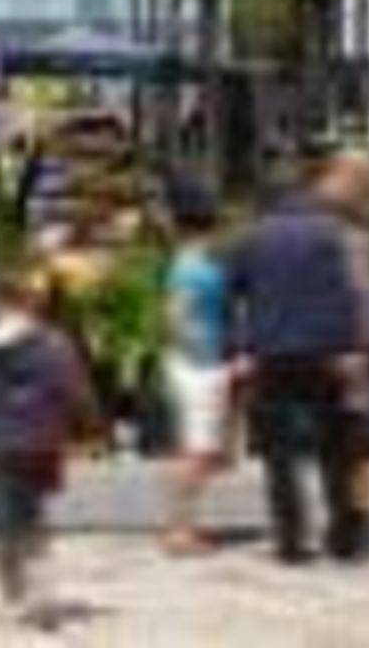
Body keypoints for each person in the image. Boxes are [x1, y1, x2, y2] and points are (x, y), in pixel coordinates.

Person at [227, 151, 369, 565]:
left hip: (272, 355)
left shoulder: (252, 237)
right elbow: (350, 293)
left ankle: (290, 540)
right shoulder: (334, 232)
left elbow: (233, 293)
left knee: (279, 455)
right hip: (327, 353)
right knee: (337, 449)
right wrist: (354, 349)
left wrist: (240, 348)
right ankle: (343, 535)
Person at [0, 269, 97, 627]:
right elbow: (76, 389)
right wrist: (89, 427)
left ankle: (14, 595)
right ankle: (42, 596)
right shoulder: (53, 341)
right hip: (41, 439)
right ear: (26, 300)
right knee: (34, 516)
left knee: (5, 522)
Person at [160, 188, 233, 556]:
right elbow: (174, 317)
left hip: (198, 363)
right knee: (197, 452)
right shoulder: (190, 266)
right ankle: (181, 531)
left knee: (201, 452)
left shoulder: (196, 261)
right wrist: (202, 355)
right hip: (197, 366)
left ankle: (181, 525)